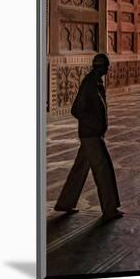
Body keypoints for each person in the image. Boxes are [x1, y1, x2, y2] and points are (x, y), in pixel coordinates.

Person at [54, 53, 122, 223]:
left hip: (92, 134)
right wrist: (93, 125)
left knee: (79, 170)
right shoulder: (89, 84)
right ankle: (109, 209)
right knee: (103, 171)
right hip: (90, 135)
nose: (107, 69)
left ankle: (65, 203)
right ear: (99, 67)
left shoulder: (96, 82)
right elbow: (76, 109)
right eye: (106, 66)